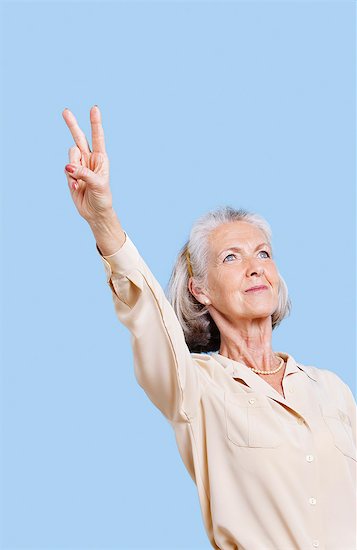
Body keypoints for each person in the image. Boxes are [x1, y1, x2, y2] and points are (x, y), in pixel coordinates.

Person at [62, 105, 357, 550]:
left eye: (263, 253)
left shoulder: (333, 390)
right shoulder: (196, 389)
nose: (256, 268)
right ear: (201, 290)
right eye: (231, 257)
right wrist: (104, 219)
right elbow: (148, 319)